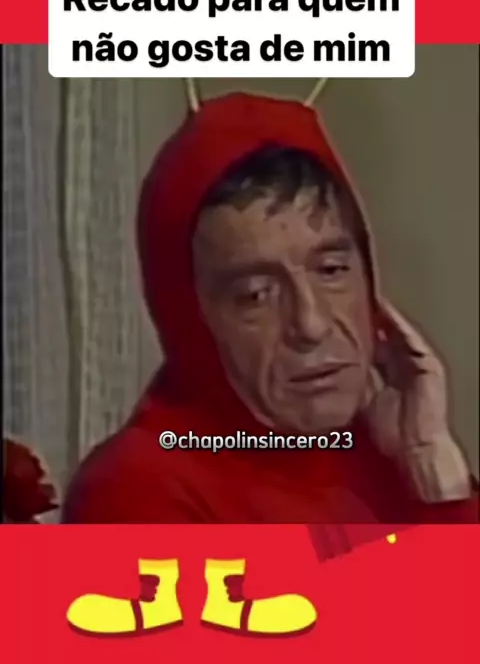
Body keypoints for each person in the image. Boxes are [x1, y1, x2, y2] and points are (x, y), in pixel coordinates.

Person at [62, 91, 478, 528]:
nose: (311, 324)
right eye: (256, 295)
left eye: (331, 270)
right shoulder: (135, 490)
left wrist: (434, 471)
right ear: (191, 321)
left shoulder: (385, 446)